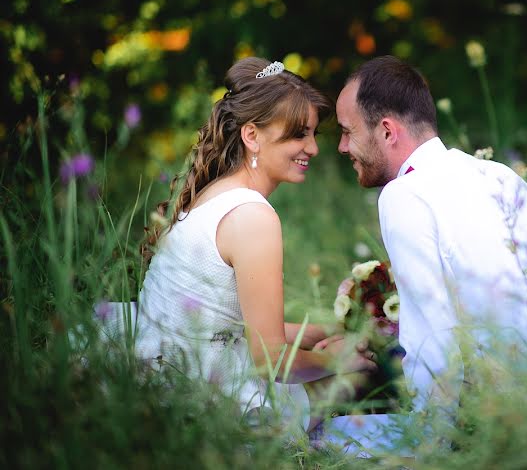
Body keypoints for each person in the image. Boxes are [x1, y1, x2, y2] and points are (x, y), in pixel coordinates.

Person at [333, 55, 527, 438]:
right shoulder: (497, 175)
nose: (341, 146)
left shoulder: (404, 194)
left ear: (386, 131)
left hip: (505, 418)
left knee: (327, 435)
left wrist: (430, 446)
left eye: (348, 131)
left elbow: (433, 338)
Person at [136, 57, 376, 435]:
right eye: (299, 134)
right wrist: (337, 360)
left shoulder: (214, 192)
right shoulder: (253, 217)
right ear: (252, 135)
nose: (312, 148)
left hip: (166, 365)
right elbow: (270, 361)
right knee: (359, 378)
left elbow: (223, 319)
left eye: (313, 134)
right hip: (206, 395)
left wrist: (318, 332)